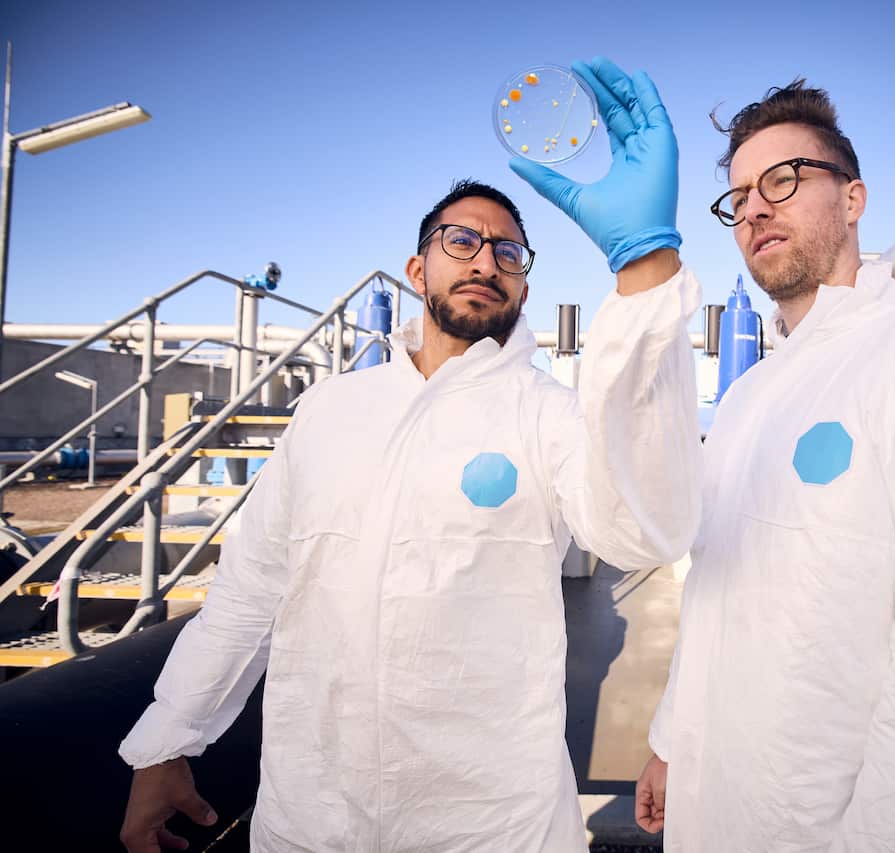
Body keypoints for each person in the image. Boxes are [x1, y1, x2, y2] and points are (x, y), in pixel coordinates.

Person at [119, 89, 703, 853]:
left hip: (492, 825)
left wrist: (647, 271)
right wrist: (168, 741)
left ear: (524, 284)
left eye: (508, 253)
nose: (486, 262)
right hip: (310, 818)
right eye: (461, 241)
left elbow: (641, 526)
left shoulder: (546, 413)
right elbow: (250, 590)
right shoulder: (330, 409)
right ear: (416, 264)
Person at [612, 73, 895, 851]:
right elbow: (714, 595)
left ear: (853, 200)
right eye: (739, 195)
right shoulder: (749, 399)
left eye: (783, 179)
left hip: (824, 821)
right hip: (712, 807)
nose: (754, 208)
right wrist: (673, 742)